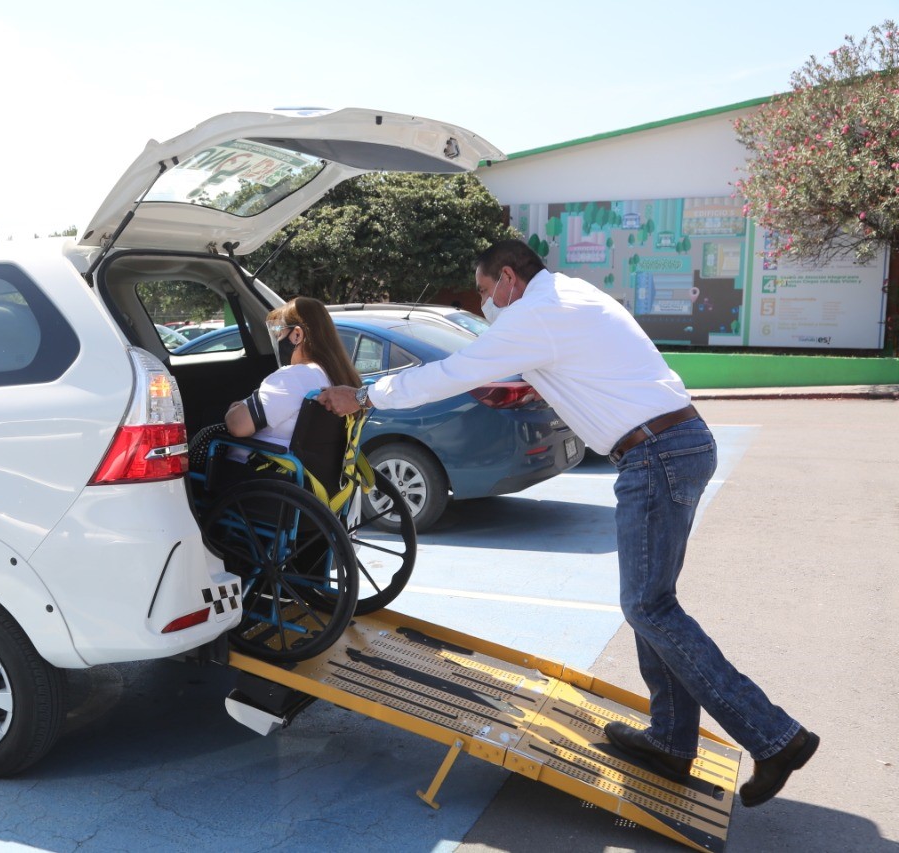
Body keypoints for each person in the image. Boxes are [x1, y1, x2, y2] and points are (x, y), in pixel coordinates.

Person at [318, 239, 817, 808]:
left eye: (485, 291)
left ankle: (775, 737)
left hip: (655, 453)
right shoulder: (570, 296)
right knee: (654, 604)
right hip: (672, 443)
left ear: (509, 278)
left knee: (648, 607)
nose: (484, 304)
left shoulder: (537, 313)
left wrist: (364, 395)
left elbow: (454, 372)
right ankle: (671, 741)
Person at [223, 296, 361, 457]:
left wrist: (235, 408)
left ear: (297, 335)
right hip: (306, 470)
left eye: (278, 334)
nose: (277, 341)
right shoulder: (338, 377)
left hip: (254, 468)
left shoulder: (293, 377)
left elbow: (237, 426)